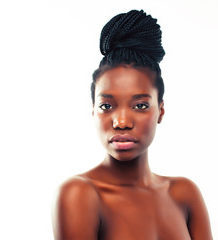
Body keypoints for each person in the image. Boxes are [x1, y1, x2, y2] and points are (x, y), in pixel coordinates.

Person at [51, 10, 213, 240]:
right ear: (93, 110)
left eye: (140, 105)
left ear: (161, 110)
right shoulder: (80, 194)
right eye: (107, 106)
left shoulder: (185, 194)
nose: (122, 122)